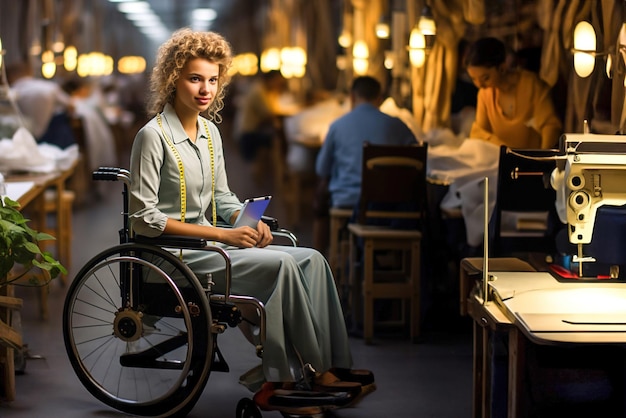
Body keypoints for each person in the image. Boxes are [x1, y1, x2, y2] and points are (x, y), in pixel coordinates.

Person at [128, 28, 374, 413]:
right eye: (195, 78)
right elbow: (144, 219)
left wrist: (248, 219)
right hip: (173, 256)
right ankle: (298, 374)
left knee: (312, 259)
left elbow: (222, 196)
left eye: (212, 79)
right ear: (173, 78)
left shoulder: (209, 133)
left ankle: (333, 363)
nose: (205, 89)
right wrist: (223, 233)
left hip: (209, 246)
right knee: (283, 267)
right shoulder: (152, 137)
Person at [313, 76, 418, 251]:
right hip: (391, 201)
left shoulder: (338, 126)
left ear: (352, 97)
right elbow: (415, 157)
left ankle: (319, 257)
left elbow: (321, 169)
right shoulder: (397, 125)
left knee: (320, 197)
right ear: (379, 98)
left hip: (348, 198)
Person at [464, 37, 562, 149]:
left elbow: (550, 126)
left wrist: (543, 159)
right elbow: (479, 134)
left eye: (485, 78)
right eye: (473, 79)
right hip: (501, 159)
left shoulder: (531, 85)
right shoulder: (485, 94)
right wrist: (505, 150)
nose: (479, 85)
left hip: (532, 159)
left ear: (502, 68)